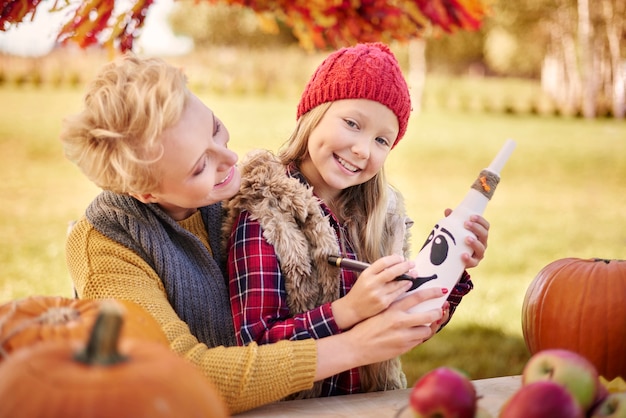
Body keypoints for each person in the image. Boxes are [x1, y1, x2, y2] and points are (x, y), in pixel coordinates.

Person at [61, 53, 448, 415]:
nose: (230, 160)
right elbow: (180, 374)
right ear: (145, 193)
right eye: (200, 166)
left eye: (214, 129)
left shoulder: (238, 196)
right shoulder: (106, 245)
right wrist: (355, 346)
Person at [224, 43, 490, 399]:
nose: (363, 149)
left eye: (382, 140)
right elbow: (254, 349)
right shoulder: (265, 214)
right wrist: (347, 311)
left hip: (368, 404)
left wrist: (452, 268)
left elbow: (395, 331)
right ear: (313, 114)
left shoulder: (379, 222)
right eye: (352, 123)